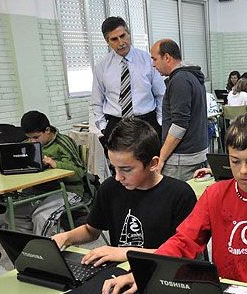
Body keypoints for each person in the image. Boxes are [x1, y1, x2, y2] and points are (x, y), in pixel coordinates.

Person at [101, 114, 247, 294]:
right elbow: (184, 241)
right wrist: (145, 272)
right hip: (223, 293)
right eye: (235, 161)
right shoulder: (215, 194)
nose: (243, 171)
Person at [52, 118, 197, 267]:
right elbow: (91, 230)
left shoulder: (180, 195)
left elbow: (182, 253)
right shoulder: (110, 188)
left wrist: (126, 252)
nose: (118, 177)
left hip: (161, 272)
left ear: (153, 164)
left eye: (126, 169)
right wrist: (66, 237)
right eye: (114, 167)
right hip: (118, 271)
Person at [0, 111, 85, 236]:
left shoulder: (63, 143)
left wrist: (55, 163)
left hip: (68, 190)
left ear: (47, 130)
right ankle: (30, 247)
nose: (32, 141)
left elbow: (80, 172)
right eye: (29, 137)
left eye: (36, 137)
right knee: (12, 216)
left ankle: (43, 251)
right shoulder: (27, 144)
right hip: (40, 191)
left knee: (41, 217)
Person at [92, 16, 165, 148]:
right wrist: (103, 127)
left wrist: (160, 122)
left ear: (129, 33)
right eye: (114, 39)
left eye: (123, 36)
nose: (121, 42)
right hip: (116, 125)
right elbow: (97, 101)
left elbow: (161, 94)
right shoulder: (101, 67)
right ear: (107, 41)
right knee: (121, 167)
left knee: (150, 164)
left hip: (147, 122)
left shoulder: (148, 60)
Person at [150, 39, 209, 181]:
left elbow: (179, 125)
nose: (153, 64)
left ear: (167, 57)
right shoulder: (192, 76)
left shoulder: (180, 80)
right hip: (195, 153)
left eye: (155, 59)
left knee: (176, 201)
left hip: (181, 160)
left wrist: (162, 158)